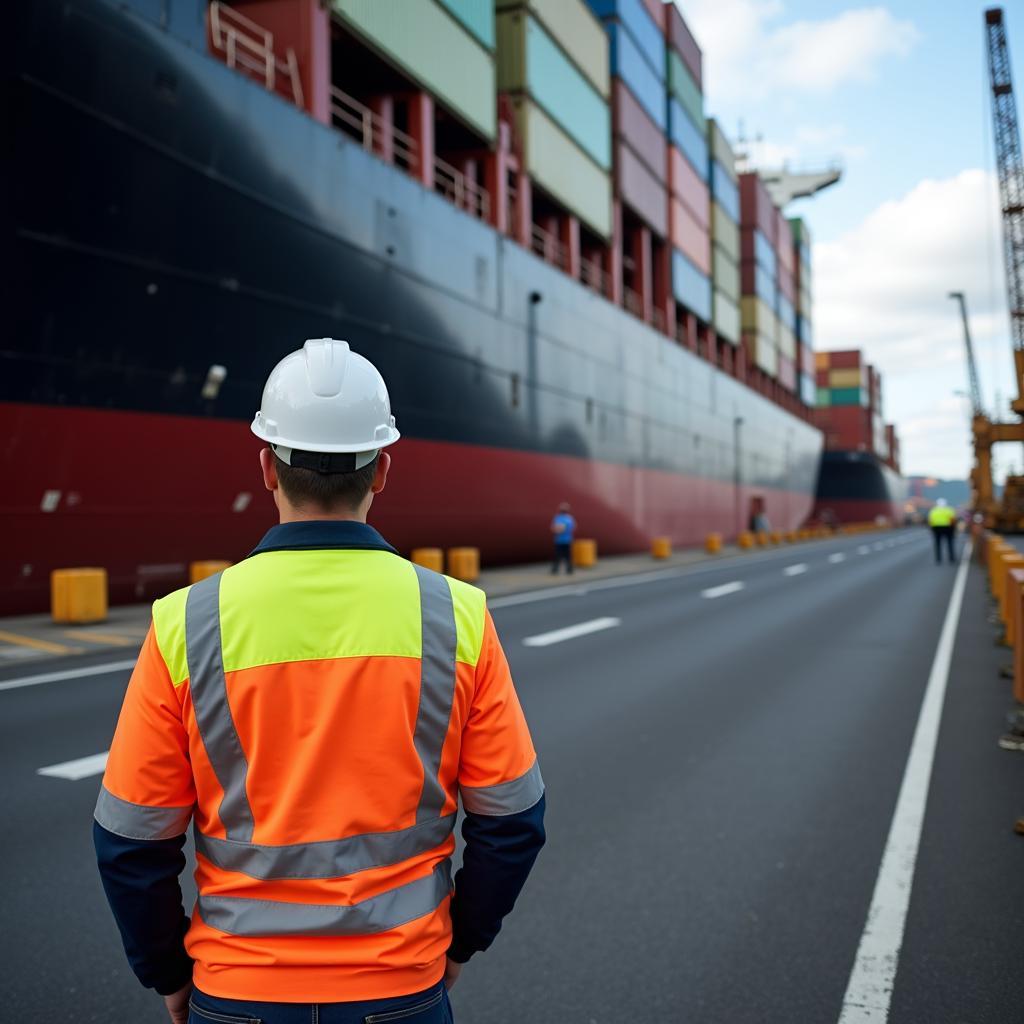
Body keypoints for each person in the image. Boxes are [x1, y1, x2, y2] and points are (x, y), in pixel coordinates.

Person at [94, 339, 546, 1024]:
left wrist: (168, 974)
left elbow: (130, 840)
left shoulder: (186, 622)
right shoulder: (457, 617)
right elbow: (512, 821)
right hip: (401, 989)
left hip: (236, 992)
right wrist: (459, 943)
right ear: (383, 470)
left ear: (266, 468)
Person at [927, 497, 957, 563]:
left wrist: (931, 529)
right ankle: (951, 558)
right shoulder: (949, 510)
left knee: (938, 544)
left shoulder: (933, 511)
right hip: (948, 528)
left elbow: (930, 521)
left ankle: (938, 559)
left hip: (936, 528)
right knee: (950, 543)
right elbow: (952, 520)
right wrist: (954, 528)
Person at [550, 501, 576, 574]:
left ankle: (567, 569)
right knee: (561, 556)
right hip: (562, 540)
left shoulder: (560, 518)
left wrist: (559, 529)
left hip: (563, 540)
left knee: (564, 556)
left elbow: (554, 528)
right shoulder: (568, 518)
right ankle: (558, 569)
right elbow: (554, 528)